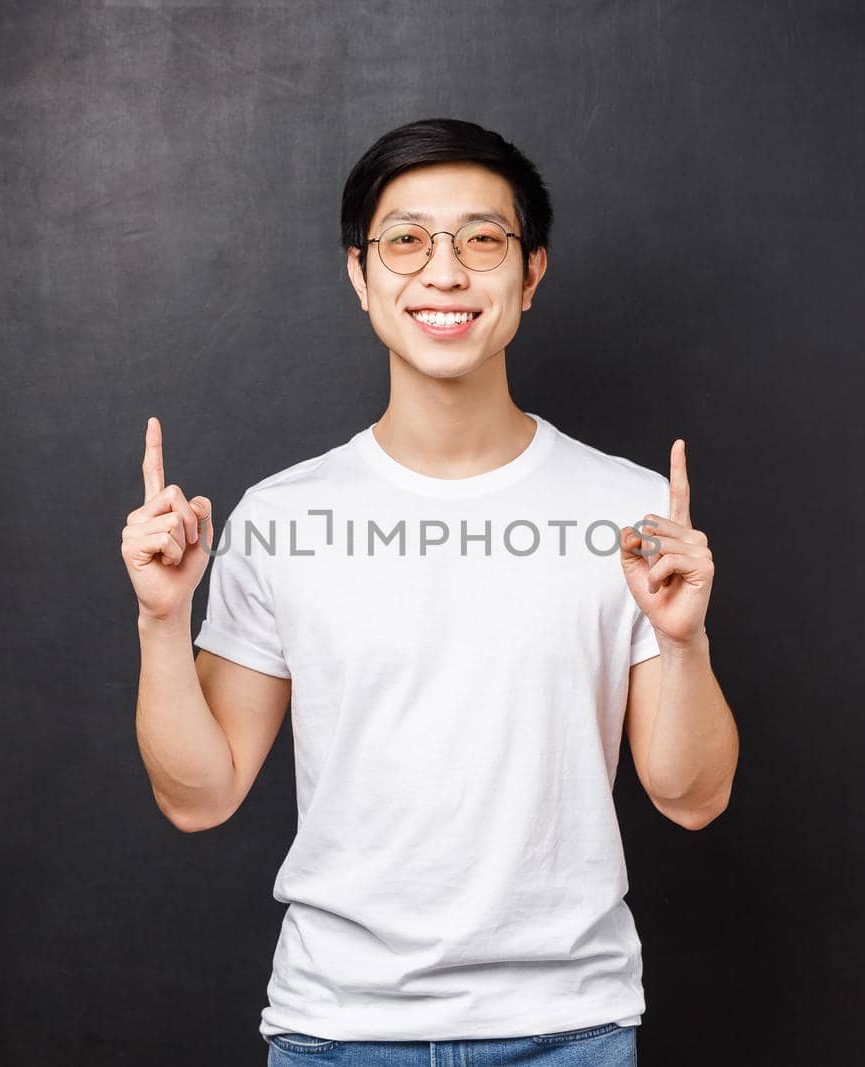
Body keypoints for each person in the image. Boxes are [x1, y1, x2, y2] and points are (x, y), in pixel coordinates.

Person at [123, 118, 739, 1066]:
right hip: (338, 1030)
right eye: (405, 240)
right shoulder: (284, 514)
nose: (444, 272)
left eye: (481, 239)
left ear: (530, 274)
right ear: (359, 274)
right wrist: (162, 622)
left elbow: (692, 798)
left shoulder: (633, 511)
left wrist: (686, 644)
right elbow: (198, 798)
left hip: (568, 1027)